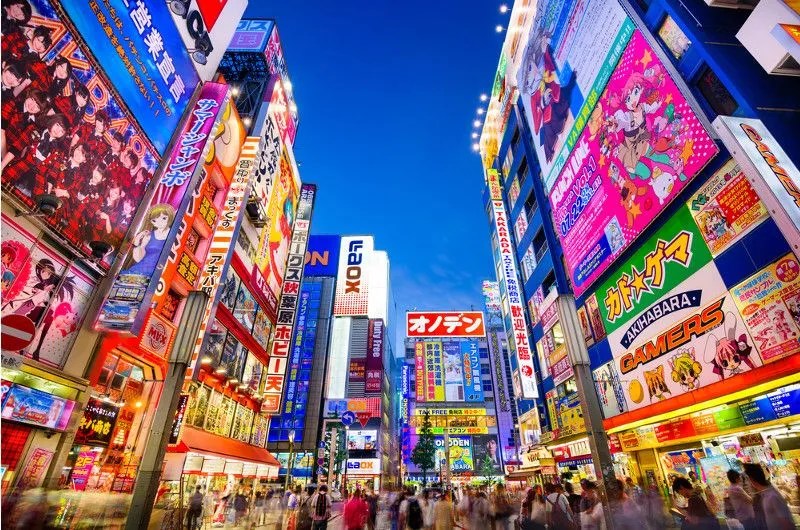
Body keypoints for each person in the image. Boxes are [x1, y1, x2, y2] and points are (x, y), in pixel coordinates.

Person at [743, 463, 794, 530]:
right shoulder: (765, 495)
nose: (746, 484)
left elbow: (787, 522)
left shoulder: (772, 496)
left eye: (746, 481)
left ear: (752, 480)